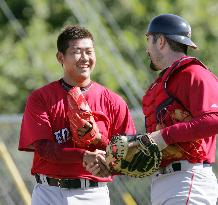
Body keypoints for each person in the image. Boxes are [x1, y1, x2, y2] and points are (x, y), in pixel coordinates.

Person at [18, 25, 136, 205]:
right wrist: (83, 156)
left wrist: (99, 141)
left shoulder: (113, 101)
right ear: (60, 57)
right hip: (49, 192)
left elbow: (128, 153)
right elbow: (43, 148)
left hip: (93, 193)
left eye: (89, 51)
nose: (85, 58)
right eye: (77, 52)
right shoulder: (41, 98)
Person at [141, 14, 218, 205]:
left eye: (148, 40)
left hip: (187, 178)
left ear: (160, 41)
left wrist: (165, 136)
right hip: (166, 181)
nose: (147, 48)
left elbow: (214, 119)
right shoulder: (166, 80)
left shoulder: (194, 73)